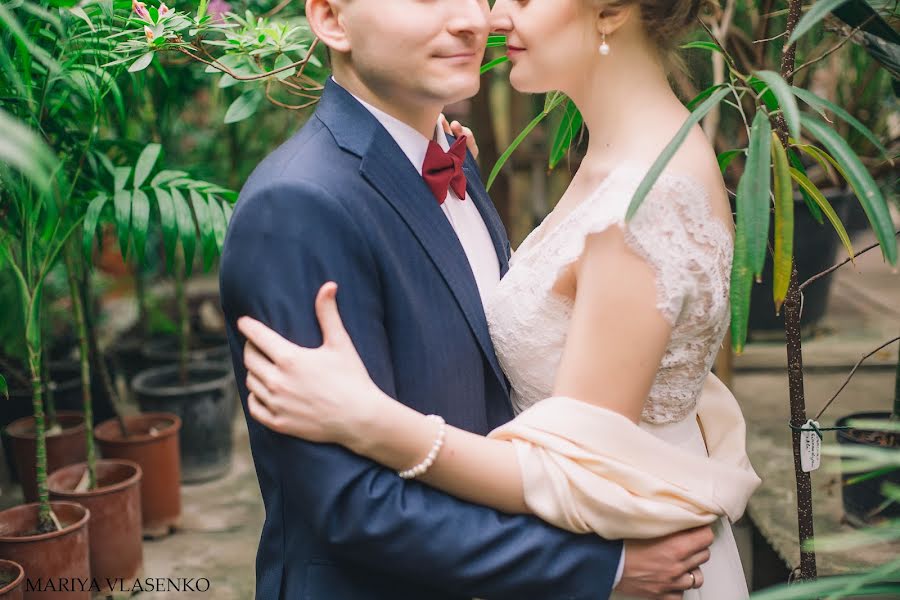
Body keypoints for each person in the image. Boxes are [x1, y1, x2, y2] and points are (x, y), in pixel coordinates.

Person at [220, 0, 730, 598]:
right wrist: (604, 567)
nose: (474, 19)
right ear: (332, 19)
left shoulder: (450, 161)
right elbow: (347, 503)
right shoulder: (297, 208)